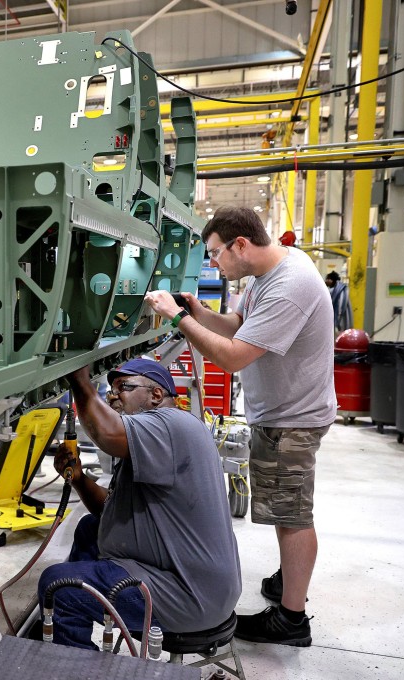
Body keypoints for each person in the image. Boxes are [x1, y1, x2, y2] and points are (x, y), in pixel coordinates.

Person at [144, 205, 335, 647]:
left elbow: (231, 356)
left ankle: (291, 619)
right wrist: (197, 311)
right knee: (285, 509)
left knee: (291, 516)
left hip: (293, 419)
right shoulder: (270, 272)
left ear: (241, 245)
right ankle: (289, 578)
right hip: (283, 411)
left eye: (215, 254)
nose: (213, 263)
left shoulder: (289, 286)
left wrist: (178, 319)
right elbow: (238, 326)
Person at [37, 358, 241, 650]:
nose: (113, 396)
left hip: (188, 599)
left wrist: (80, 381)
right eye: (110, 391)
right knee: (89, 528)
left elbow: (107, 433)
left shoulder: (172, 424)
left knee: (58, 586)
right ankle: (62, 621)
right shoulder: (154, 438)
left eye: (123, 388)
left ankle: (72, 657)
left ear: (156, 395)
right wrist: (79, 479)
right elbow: (109, 511)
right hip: (195, 585)